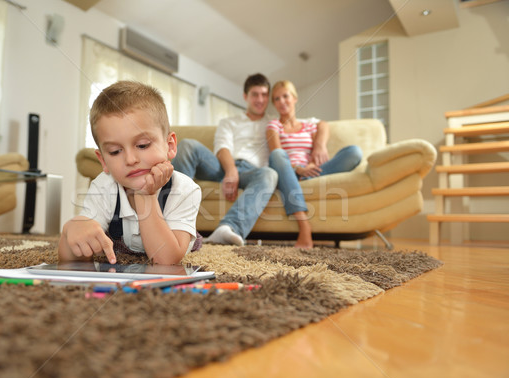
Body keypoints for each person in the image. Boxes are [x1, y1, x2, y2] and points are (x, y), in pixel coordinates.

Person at [58, 81, 202, 265]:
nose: (130, 159)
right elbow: (72, 259)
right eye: (115, 151)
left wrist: (145, 196)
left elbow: (166, 260)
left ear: (170, 146)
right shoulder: (104, 185)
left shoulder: (185, 189)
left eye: (143, 145)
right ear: (103, 160)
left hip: (174, 237)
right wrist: (71, 233)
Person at [172, 73, 278, 246]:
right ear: (245, 96)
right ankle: (174, 220)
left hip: (253, 173)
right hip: (222, 167)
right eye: (255, 94)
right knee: (188, 145)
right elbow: (222, 147)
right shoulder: (230, 122)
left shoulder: (274, 123)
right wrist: (231, 171)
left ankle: (228, 229)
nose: (260, 99)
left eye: (264, 95)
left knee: (270, 174)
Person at [267, 80, 363, 248]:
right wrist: (299, 169)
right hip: (289, 172)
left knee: (354, 152)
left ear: (295, 98)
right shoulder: (274, 125)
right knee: (277, 154)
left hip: (312, 172)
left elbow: (323, 124)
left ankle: (300, 183)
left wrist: (318, 149)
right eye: (276, 99)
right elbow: (276, 152)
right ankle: (304, 226)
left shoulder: (308, 125)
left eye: (285, 96)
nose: (282, 101)